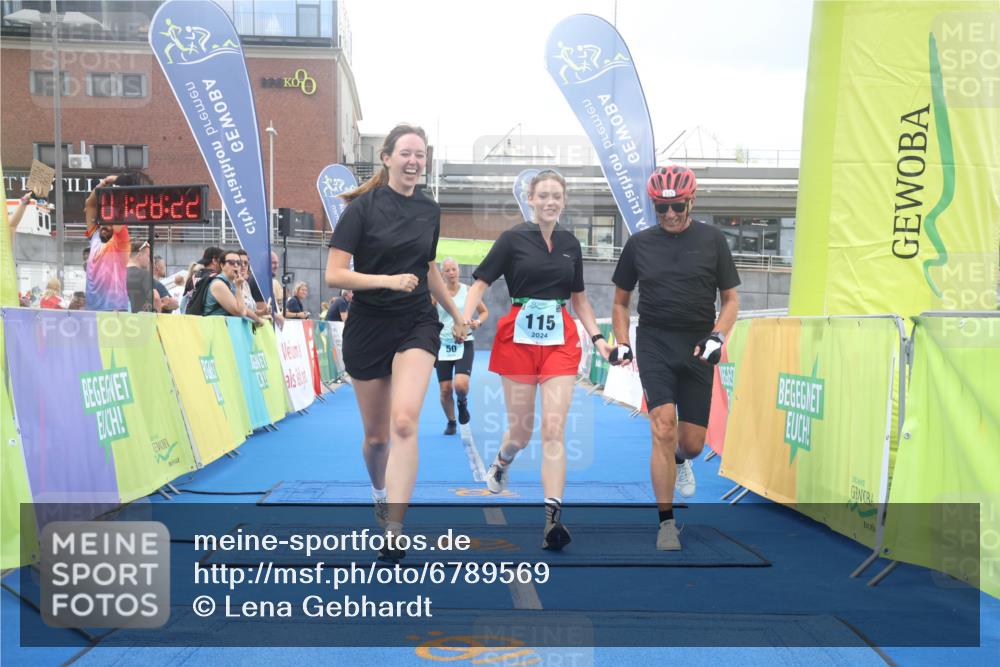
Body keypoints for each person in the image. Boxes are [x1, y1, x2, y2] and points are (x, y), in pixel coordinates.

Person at [325, 123, 467, 561]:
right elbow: (334, 274)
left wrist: (457, 313)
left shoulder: (430, 209)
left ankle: (395, 527)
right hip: (368, 326)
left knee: (404, 422)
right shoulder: (362, 210)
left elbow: (426, 269)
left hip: (416, 323)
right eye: (406, 153)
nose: (413, 162)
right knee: (376, 439)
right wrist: (385, 280)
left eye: (420, 155)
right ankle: (379, 491)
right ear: (386, 158)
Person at [461, 170, 611, 551]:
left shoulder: (569, 243)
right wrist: (464, 318)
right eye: (542, 195)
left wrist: (597, 337)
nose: (549, 202)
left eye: (556, 196)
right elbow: (480, 283)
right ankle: (502, 460)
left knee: (554, 429)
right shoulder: (512, 239)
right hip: (519, 339)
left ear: (563, 200)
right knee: (522, 433)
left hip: (561, 339)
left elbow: (580, 299)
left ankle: (552, 520)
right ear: (530, 198)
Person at [610, 165, 740, 551]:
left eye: (677, 207)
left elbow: (731, 299)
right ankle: (666, 522)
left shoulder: (713, 240)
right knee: (662, 427)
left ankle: (681, 460)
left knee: (692, 444)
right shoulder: (639, 244)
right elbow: (620, 301)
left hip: (699, 346)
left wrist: (718, 335)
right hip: (654, 342)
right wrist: (622, 341)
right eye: (660, 208)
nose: (668, 215)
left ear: (691, 202)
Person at [434, 258, 488, 435]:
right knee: (445, 389)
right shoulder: (437, 294)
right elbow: (425, 314)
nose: (451, 273)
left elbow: (484, 311)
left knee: (461, 385)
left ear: (458, 271)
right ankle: (451, 421)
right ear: (442, 274)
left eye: (454, 269)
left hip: (464, 342)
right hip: (442, 344)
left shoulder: (468, 291)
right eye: (447, 270)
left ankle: (462, 403)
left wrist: (477, 322)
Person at [84, 172, 150, 312]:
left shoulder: (121, 239)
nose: (104, 226)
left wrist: (121, 182)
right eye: (102, 220)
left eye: (109, 222)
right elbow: (89, 205)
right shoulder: (95, 235)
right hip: (91, 309)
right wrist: (104, 183)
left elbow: (119, 220)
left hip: (115, 310)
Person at [203, 249, 255, 319]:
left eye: (238, 262)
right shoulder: (218, 284)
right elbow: (241, 312)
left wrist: (260, 318)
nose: (236, 265)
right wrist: (238, 287)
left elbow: (244, 309)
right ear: (222, 265)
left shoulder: (231, 283)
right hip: (215, 328)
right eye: (231, 262)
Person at [126, 240, 160, 313]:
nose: (149, 260)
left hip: (121, 319)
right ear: (139, 255)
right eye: (148, 256)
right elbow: (156, 298)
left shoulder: (118, 274)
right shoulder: (145, 275)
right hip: (141, 320)